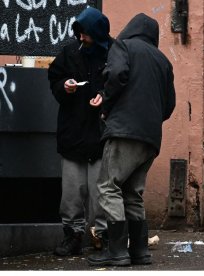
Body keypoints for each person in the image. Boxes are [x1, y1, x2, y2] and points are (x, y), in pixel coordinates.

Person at [86, 13, 176, 266]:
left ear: (130, 28)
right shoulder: (163, 60)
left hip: (124, 130)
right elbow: (169, 105)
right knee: (132, 193)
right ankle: (139, 251)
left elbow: (116, 74)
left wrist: (106, 101)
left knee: (108, 185)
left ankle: (116, 251)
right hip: (150, 138)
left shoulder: (123, 46)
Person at [48, 7, 113, 256]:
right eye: (80, 33)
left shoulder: (114, 53)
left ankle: (103, 236)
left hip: (100, 134)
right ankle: (73, 235)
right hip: (73, 133)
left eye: (86, 34)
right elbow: (54, 78)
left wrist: (105, 98)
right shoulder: (69, 51)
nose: (82, 38)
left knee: (101, 193)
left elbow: (121, 83)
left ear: (97, 33)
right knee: (72, 193)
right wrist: (64, 86)